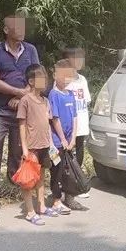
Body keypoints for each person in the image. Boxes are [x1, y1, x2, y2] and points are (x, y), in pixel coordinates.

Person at [0, 14, 40, 202]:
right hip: (0, 112)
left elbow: (37, 77)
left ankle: (18, 189)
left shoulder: (31, 50)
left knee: (19, 152)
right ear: (6, 30)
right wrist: (18, 92)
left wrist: (22, 96)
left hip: (23, 112)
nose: (22, 30)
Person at [16, 64, 56, 225]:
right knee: (28, 179)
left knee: (41, 176)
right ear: (31, 81)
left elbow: (48, 123)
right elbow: (22, 125)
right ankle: (30, 211)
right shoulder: (25, 100)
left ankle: (41, 206)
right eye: (41, 77)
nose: (44, 80)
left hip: (45, 144)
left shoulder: (45, 101)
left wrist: (52, 144)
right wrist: (25, 148)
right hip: (31, 146)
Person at [48, 59, 86, 213]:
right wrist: (63, 139)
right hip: (57, 142)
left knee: (69, 170)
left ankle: (69, 197)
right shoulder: (53, 94)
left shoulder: (71, 94)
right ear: (55, 75)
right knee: (56, 171)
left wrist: (72, 139)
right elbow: (55, 118)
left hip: (70, 142)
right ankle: (56, 200)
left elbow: (75, 117)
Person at [62, 47, 92, 199]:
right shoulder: (63, 81)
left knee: (79, 153)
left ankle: (77, 182)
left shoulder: (82, 80)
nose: (80, 61)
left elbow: (85, 101)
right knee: (66, 155)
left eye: (81, 58)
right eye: (76, 58)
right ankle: (66, 184)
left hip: (81, 123)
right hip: (67, 125)